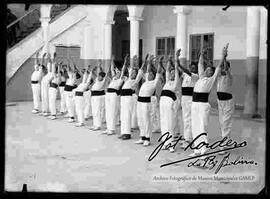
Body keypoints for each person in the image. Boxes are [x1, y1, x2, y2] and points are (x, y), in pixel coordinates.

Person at [189, 44, 229, 157]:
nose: (208, 71)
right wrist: (202, 53)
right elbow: (200, 63)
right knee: (195, 126)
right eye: (207, 70)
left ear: (212, 73)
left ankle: (204, 148)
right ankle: (197, 149)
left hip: (203, 105)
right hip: (194, 104)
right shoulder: (201, 77)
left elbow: (218, 68)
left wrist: (223, 55)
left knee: (202, 126)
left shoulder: (211, 80)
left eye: (210, 70)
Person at [135, 55, 162, 147]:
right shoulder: (146, 80)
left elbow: (158, 72)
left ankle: (147, 138)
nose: (149, 74)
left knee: (147, 121)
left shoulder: (154, 82)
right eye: (148, 73)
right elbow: (147, 69)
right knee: (140, 120)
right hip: (139, 102)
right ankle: (142, 137)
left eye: (151, 74)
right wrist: (149, 62)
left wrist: (159, 63)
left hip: (147, 103)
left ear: (153, 76)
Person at [118, 55, 145, 140]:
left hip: (128, 98)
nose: (132, 73)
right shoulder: (127, 79)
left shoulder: (135, 81)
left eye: (134, 73)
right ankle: (123, 132)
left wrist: (142, 63)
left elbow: (140, 72)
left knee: (127, 115)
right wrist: (126, 62)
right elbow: (123, 72)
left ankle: (127, 133)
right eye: (131, 72)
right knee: (123, 116)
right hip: (123, 98)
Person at [159, 53, 180, 152]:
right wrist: (169, 59)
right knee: (163, 122)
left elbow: (175, 70)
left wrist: (176, 58)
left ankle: (171, 144)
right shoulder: (167, 81)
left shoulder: (176, 82)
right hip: (162, 102)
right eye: (170, 73)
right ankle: (165, 143)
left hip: (169, 102)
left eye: (173, 73)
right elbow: (167, 69)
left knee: (169, 123)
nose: (171, 74)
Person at [177, 59, 199, 149]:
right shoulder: (185, 74)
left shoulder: (195, 76)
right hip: (184, 98)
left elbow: (185, 71)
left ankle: (188, 139)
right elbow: (179, 72)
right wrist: (174, 62)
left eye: (194, 68)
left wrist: (179, 65)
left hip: (190, 99)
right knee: (185, 119)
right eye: (191, 68)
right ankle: (187, 137)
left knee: (189, 119)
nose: (192, 69)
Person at [103, 56, 125, 135]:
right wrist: (112, 61)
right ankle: (108, 128)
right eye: (117, 72)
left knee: (112, 111)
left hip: (113, 95)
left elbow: (122, 71)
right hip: (108, 94)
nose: (117, 73)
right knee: (108, 111)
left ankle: (112, 129)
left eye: (118, 72)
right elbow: (112, 68)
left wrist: (124, 64)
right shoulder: (113, 78)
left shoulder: (120, 79)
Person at [217, 56, 234, 154]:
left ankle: (223, 145)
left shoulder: (230, 75)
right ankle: (227, 142)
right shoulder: (219, 76)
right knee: (222, 123)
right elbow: (217, 68)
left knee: (226, 122)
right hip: (220, 102)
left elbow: (226, 69)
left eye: (225, 67)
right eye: (222, 67)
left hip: (228, 102)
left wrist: (224, 57)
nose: (223, 69)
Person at [89, 60, 108, 131]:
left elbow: (104, 74)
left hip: (98, 96)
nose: (98, 77)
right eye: (98, 76)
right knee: (94, 111)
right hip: (94, 96)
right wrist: (99, 66)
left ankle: (98, 125)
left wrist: (101, 67)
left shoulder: (103, 80)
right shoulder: (98, 79)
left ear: (102, 77)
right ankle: (95, 124)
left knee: (97, 111)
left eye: (100, 76)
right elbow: (94, 74)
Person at [48, 53, 61, 120]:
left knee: (52, 102)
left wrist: (54, 57)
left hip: (53, 89)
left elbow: (54, 65)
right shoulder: (56, 75)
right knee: (51, 102)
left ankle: (53, 114)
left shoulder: (58, 75)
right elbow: (54, 66)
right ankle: (53, 113)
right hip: (51, 88)